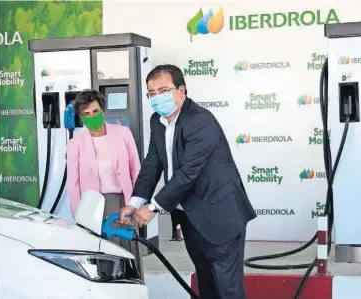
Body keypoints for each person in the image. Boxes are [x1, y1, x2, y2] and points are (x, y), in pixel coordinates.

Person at [119, 64, 256, 299]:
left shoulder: (201, 121)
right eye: (152, 93)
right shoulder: (157, 121)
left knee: (228, 289)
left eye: (163, 90)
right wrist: (134, 202)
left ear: (181, 91)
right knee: (206, 284)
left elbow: (187, 174)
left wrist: (151, 207)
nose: (157, 98)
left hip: (220, 216)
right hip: (191, 217)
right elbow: (152, 165)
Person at [66, 89, 142, 254]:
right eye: (86, 114)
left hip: (124, 202)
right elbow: (73, 183)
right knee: (103, 251)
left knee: (126, 248)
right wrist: (79, 214)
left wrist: (137, 202)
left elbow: (136, 169)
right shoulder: (75, 144)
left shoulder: (123, 133)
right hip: (93, 205)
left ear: (102, 110)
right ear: (81, 117)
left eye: (95, 111)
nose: (92, 116)